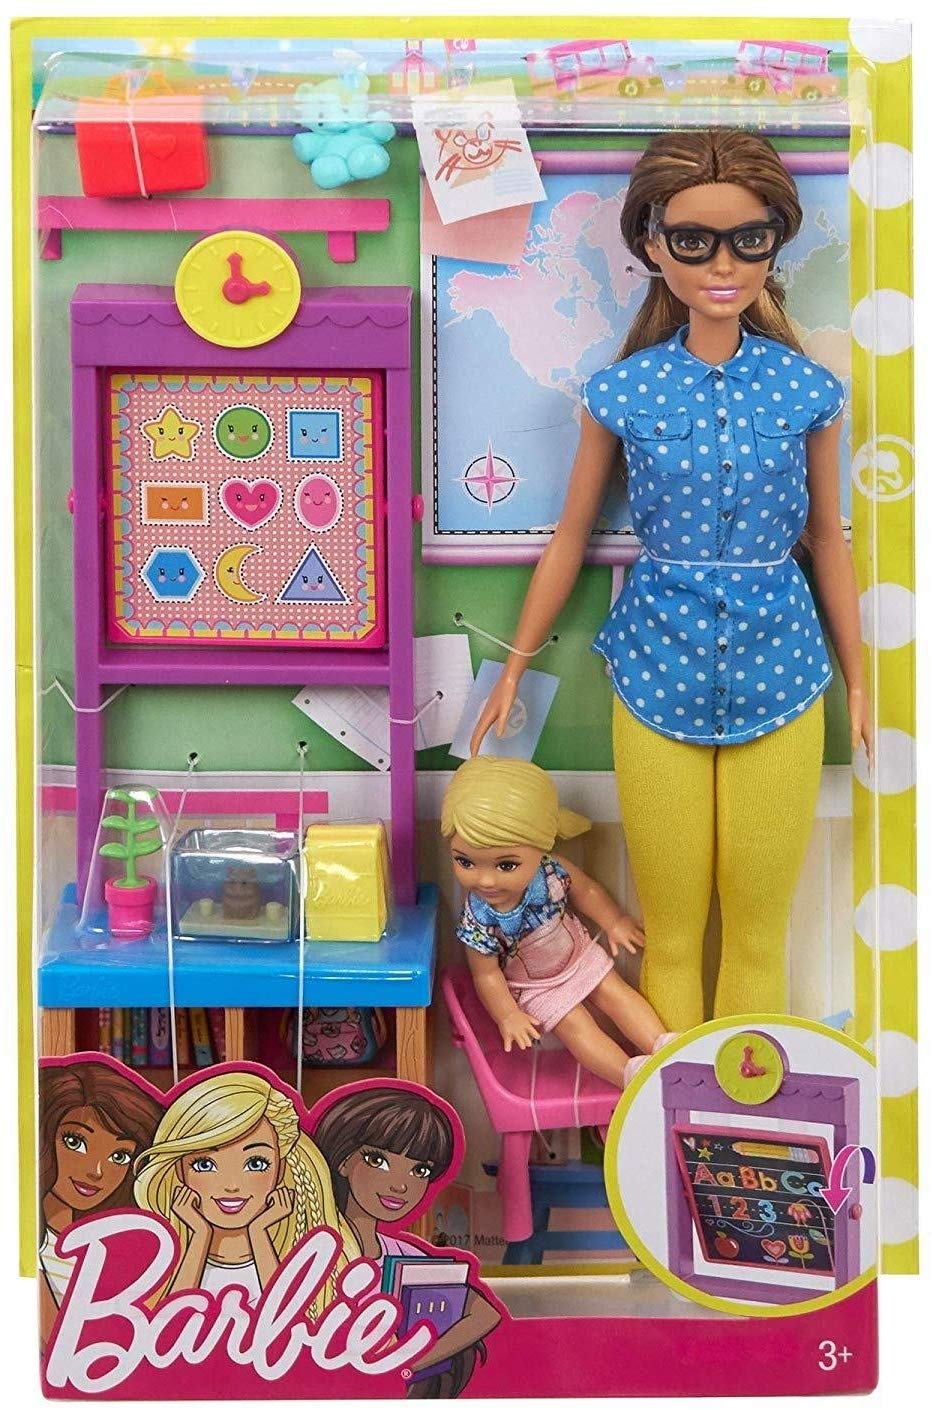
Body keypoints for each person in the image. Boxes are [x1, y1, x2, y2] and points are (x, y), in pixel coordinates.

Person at [471, 128, 869, 1031]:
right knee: (672, 932)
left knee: (760, 931)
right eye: (694, 241)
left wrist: (857, 678)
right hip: (657, 666)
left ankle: (747, 1106)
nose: (723, 265)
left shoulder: (806, 390)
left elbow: (827, 540)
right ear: (653, 246)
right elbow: (571, 536)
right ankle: (672, 1109)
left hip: (782, 666)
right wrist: (513, 665)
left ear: (774, 244)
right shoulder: (623, 392)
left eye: (748, 240)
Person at [442, 757, 671, 1085]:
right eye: (465, 862)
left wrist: (614, 920)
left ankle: (665, 1048)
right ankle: (631, 1076)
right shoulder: (478, 919)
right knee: (575, 1024)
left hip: (578, 955)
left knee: (615, 992)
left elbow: (586, 891)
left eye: (505, 865)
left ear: (541, 848)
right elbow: (487, 975)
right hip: (536, 988)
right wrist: (508, 1015)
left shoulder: (550, 870)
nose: (486, 880)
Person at [313, 1084, 501, 1397]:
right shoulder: (312, 1249)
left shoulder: (406, 1256)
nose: (401, 1185)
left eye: (420, 1170)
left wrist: (405, 1365)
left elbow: (484, 1313)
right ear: (343, 1161)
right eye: (377, 1160)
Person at [133, 1070, 358, 1311]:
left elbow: (287, 1319)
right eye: (204, 1164)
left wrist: (259, 1232)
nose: (231, 1185)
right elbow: (170, 1322)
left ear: (280, 1169)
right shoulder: (155, 1259)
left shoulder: (311, 1261)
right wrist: (199, 1235)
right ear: (180, 1171)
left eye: (256, 1163)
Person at [38, 1060, 163, 1347]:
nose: (96, 1171)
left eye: (120, 1156)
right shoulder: (32, 1245)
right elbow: (56, 1346)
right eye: (75, 1142)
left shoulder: (121, 1245)